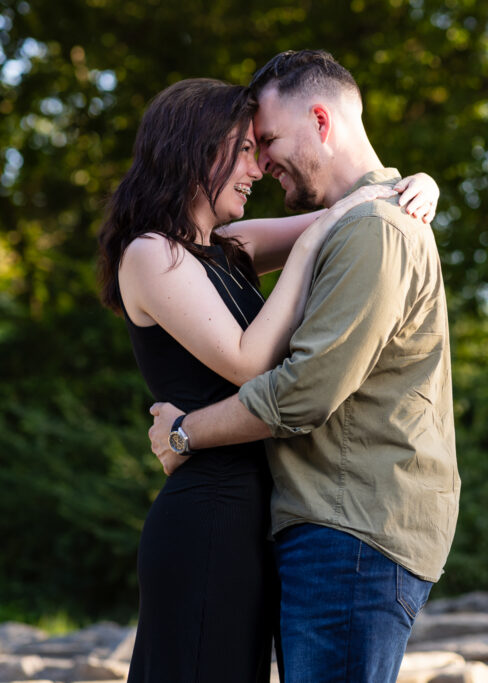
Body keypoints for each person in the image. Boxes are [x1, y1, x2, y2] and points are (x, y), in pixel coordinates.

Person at [97, 77, 439, 682]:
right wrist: (306, 249)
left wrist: (421, 185)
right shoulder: (149, 254)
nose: (257, 168)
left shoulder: (229, 246)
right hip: (209, 513)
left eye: (261, 148)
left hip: (259, 516)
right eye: (244, 150)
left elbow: (351, 210)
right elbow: (248, 361)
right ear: (196, 150)